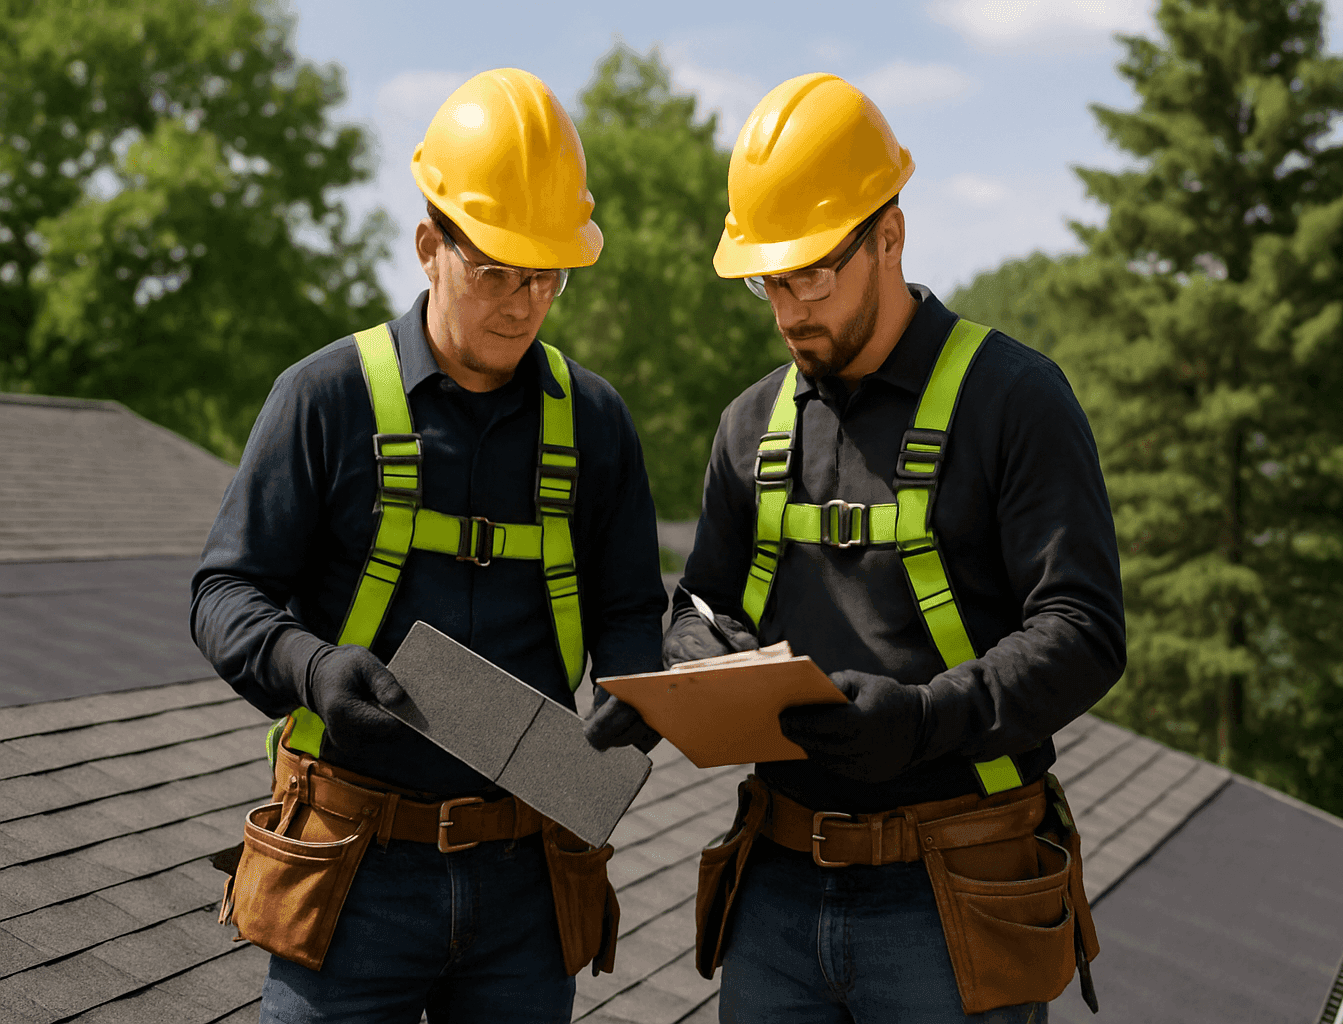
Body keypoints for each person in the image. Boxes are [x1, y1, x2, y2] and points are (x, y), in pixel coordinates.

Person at [588, 73, 1126, 1022]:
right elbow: (701, 600)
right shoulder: (750, 424)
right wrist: (691, 656)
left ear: (890, 235)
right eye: (770, 281)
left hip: (958, 889)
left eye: (814, 275)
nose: (791, 308)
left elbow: (1083, 632)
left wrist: (922, 720)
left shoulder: (1015, 401)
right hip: (777, 892)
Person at [192, 68, 666, 1023]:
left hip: (531, 871)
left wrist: (632, 691)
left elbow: (627, 609)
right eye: (495, 269)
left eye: (547, 275)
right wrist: (313, 668)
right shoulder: (324, 399)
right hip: (352, 866)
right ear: (427, 246)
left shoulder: (597, 424)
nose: (524, 302)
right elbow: (224, 591)